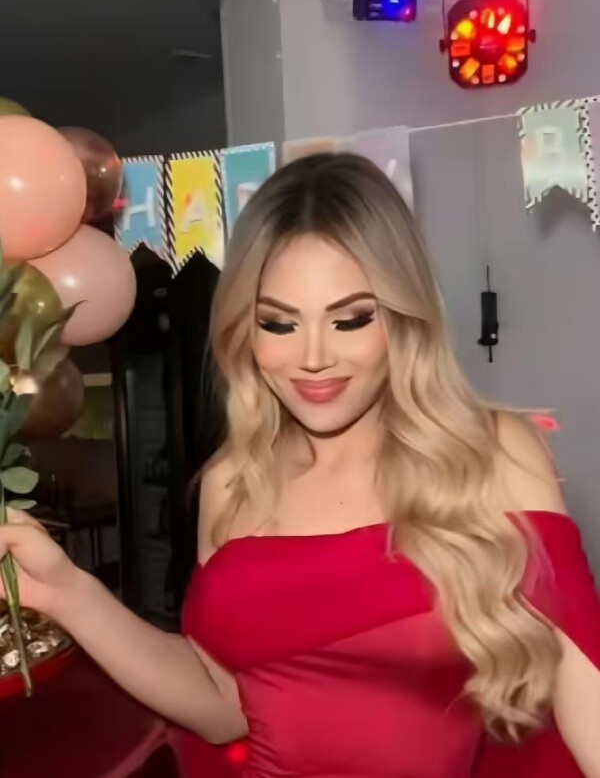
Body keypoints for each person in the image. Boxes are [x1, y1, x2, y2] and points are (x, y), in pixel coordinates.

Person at [1, 153, 599, 778]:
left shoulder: (492, 455)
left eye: (351, 318)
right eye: (279, 323)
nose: (313, 357)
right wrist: (67, 592)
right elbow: (223, 705)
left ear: (404, 317)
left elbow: (586, 687)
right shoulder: (234, 482)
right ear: (245, 328)